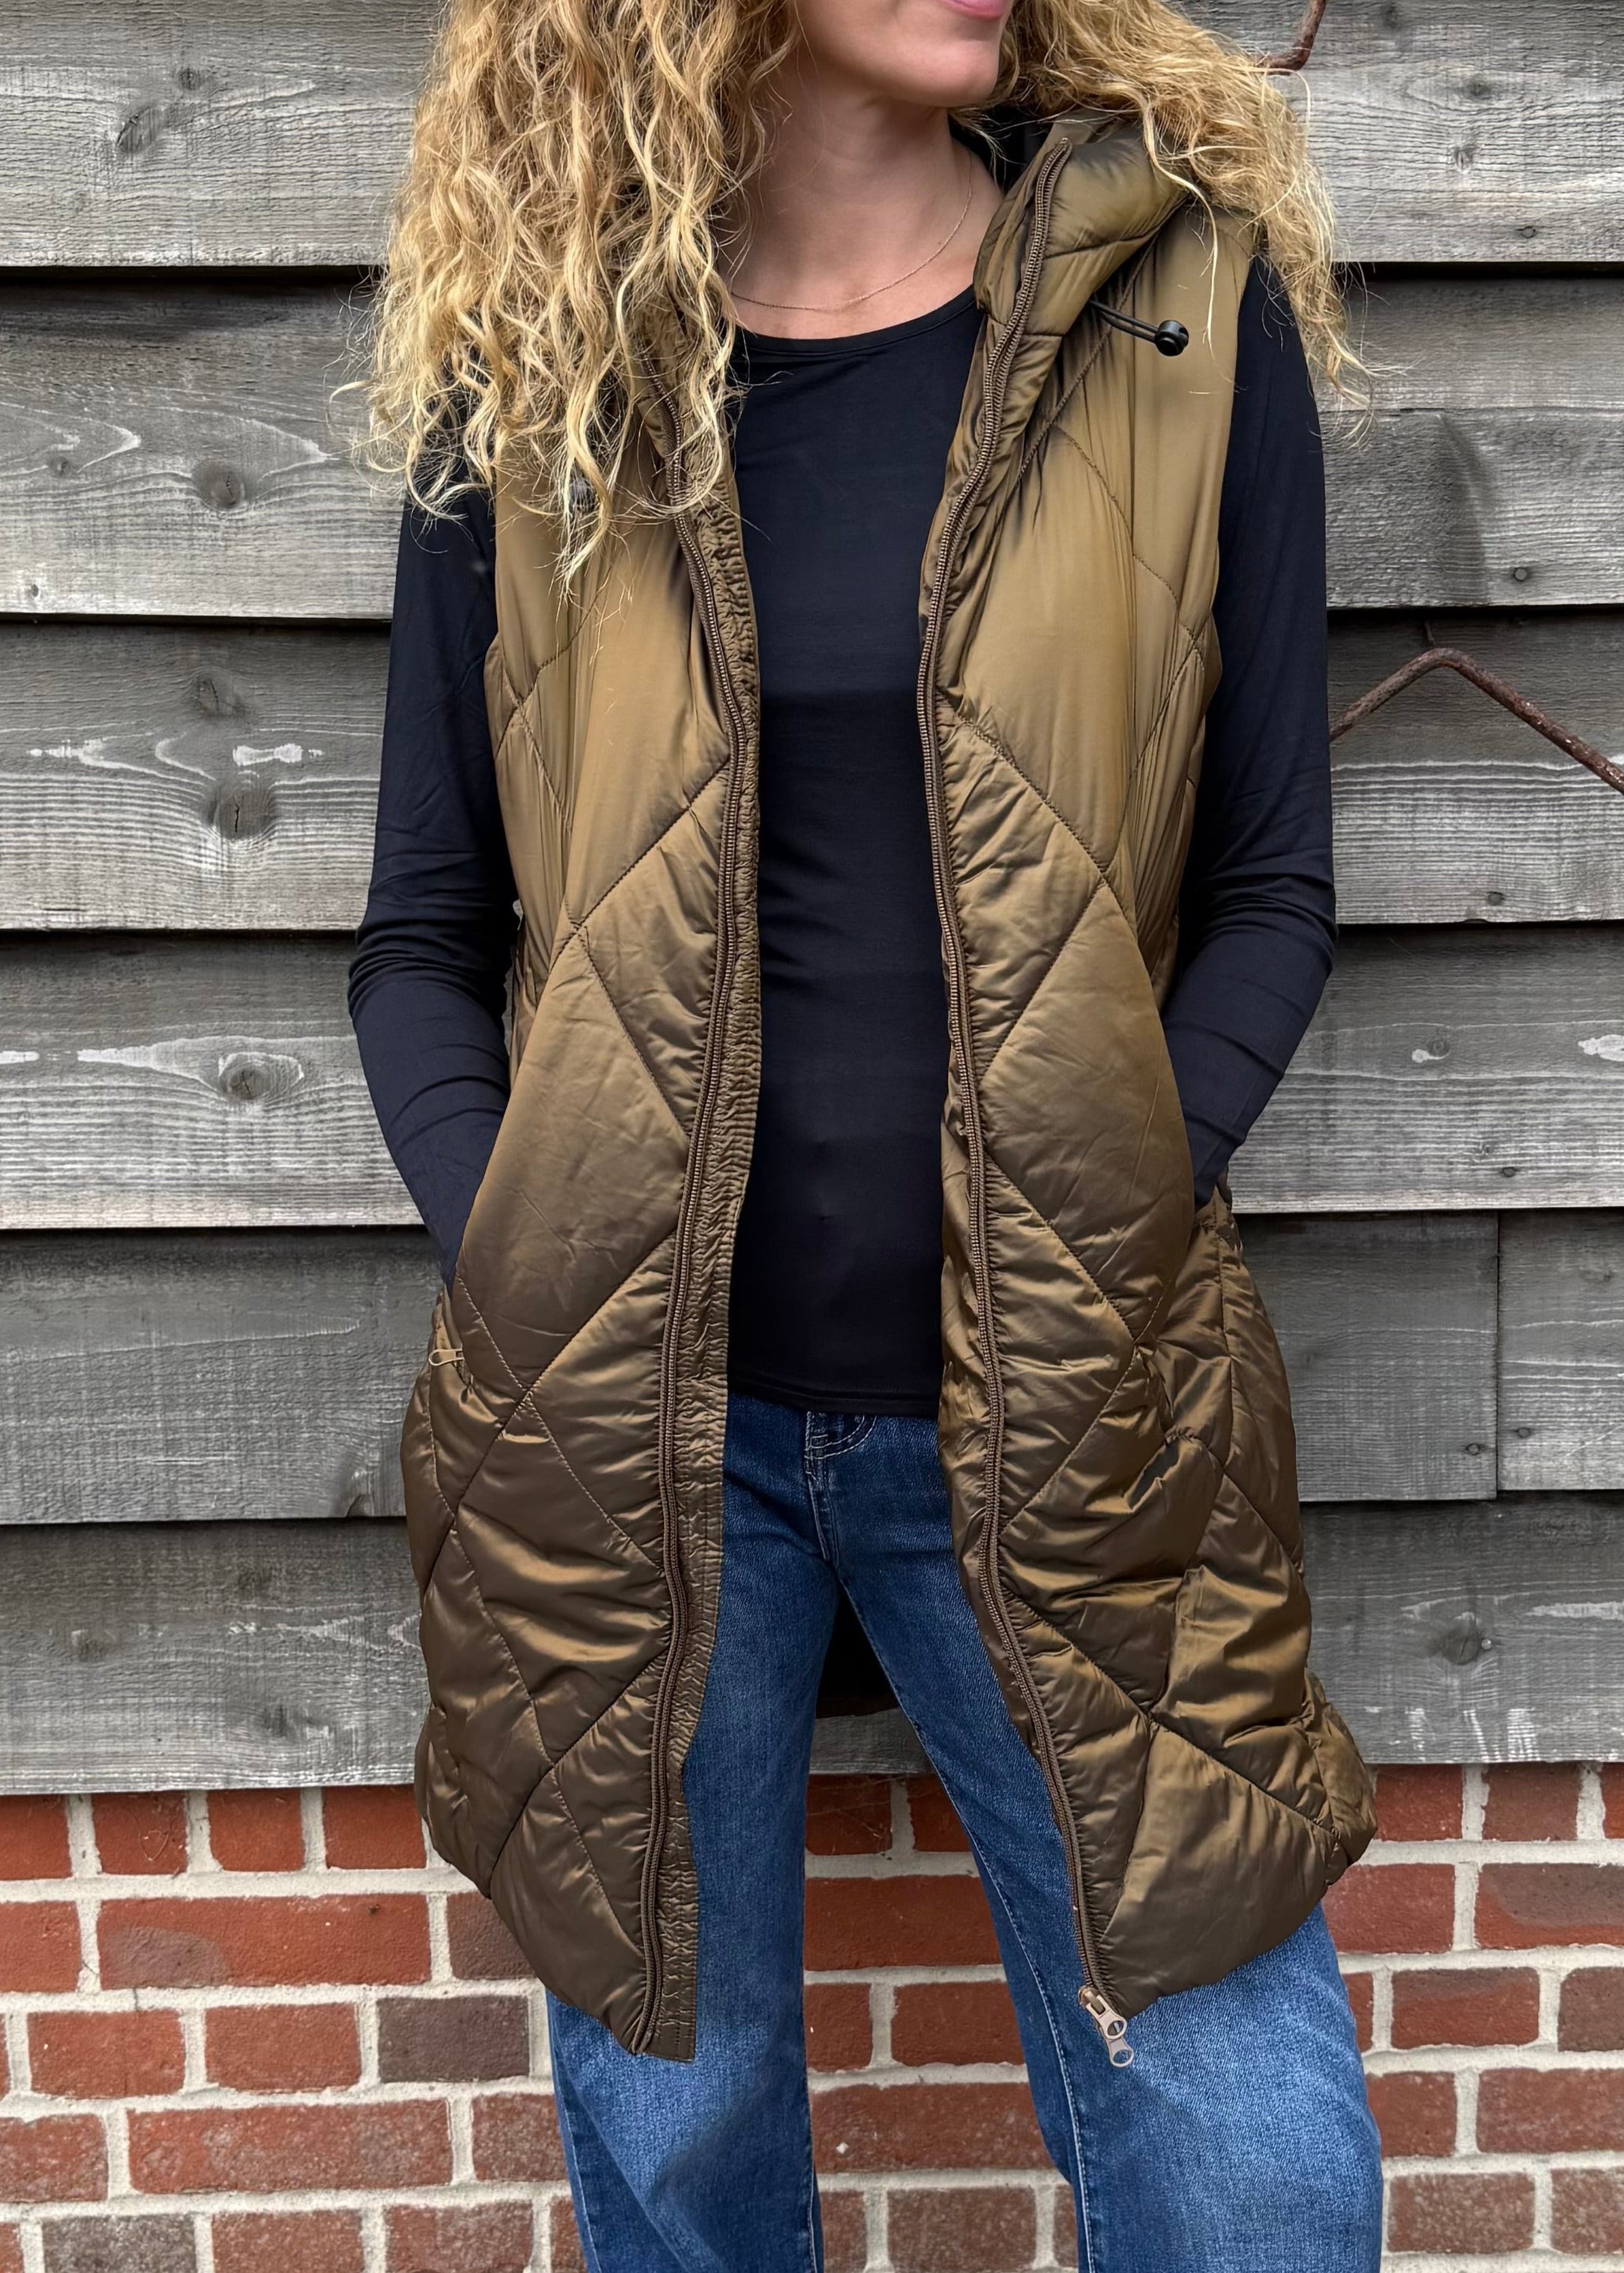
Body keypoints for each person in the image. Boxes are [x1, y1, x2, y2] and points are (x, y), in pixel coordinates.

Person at [348, 0, 1385, 2260]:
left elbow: (1274, 888)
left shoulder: (1178, 316)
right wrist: (524, 1262)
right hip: (635, 1440)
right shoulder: (544, 371)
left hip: (1071, 1406)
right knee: (688, 2148)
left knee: (1256, 2172)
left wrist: (1117, 1211)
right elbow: (420, 937)